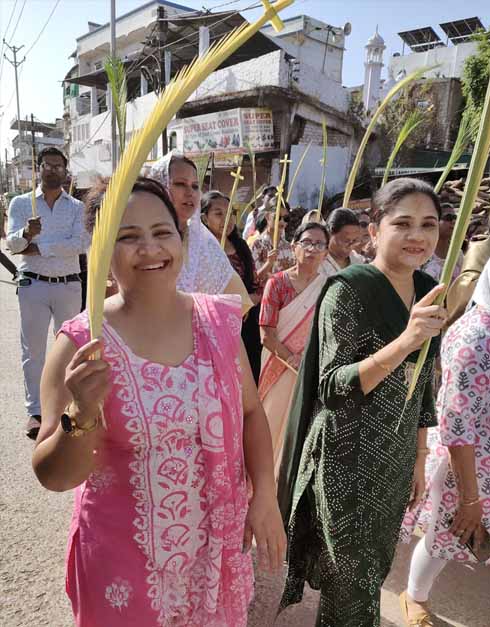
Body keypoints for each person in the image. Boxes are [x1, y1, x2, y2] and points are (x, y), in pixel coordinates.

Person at [31, 176, 285, 625]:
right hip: (125, 567)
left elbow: (250, 411)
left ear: (180, 238)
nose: (149, 248)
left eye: (162, 231)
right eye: (128, 236)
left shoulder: (217, 321)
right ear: (100, 252)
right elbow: (54, 476)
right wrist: (80, 413)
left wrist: (264, 492)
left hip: (213, 556)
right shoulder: (80, 344)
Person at [277, 178, 449, 624]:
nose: (417, 236)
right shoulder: (349, 290)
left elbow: (422, 383)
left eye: (428, 224)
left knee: (370, 575)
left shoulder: (429, 289)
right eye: (403, 223)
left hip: (395, 457)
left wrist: (419, 456)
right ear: (374, 231)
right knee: (350, 582)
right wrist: (407, 340)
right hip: (346, 456)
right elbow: (333, 386)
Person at [400, 232, 490, 627]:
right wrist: (470, 497)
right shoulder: (477, 336)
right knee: (444, 539)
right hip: (469, 473)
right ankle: (414, 597)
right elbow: (456, 426)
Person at [6, 146, 90, 438]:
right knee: (34, 351)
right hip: (33, 284)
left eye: (58, 166)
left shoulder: (77, 207)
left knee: (68, 348)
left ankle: (65, 405)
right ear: (38, 169)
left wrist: (38, 246)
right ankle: (36, 411)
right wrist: (26, 234)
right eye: (47, 165)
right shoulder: (21, 203)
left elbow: (80, 243)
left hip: (68, 284)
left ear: (65, 171)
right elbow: (13, 245)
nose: (53, 170)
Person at [257, 222, 329, 471]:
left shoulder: (329, 288)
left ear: (326, 252)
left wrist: (308, 363)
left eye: (319, 244)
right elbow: (266, 335)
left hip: (311, 370)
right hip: (278, 365)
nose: (312, 249)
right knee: (270, 425)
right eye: (306, 242)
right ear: (294, 246)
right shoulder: (276, 284)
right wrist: (293, 360)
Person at [146, 152, 251, 308]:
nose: (190, 192)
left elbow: (237, 302)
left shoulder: (204, 244)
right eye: (180, 184)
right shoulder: (142, 241)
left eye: (195, 186)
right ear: (160, 186)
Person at [201, 191, 264, 383]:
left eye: (230, 213)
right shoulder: (201, 250)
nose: (227, 219)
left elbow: (256, 285)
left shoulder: (241, 246)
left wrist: (247, 301)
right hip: (212, 324)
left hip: (245, 323)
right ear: (204, 218)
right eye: (219, 214)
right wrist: (231, 305)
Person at [250, 203, 295, 278]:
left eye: (286, 218)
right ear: (267, 216)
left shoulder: (288, 246)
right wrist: (268, 263)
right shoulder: (257, 244)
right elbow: (252, 278)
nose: (282, 221)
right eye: (277, 217)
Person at [322, 207, 367, 275]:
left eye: (354, 241)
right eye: (346, 241)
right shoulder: (316, 262)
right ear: (329, 234)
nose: (350, 246)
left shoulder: (359, 261)